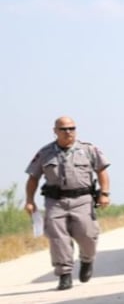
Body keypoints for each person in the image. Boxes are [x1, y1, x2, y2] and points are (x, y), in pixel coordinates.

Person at [24, 116, 111, 290]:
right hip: (55, 201)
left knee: (88, 235)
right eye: (63, 129)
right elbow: (33, 178)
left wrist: (104, 193)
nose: (68, 132)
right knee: (58, 239)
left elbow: (101, 171)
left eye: (72, 128)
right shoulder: (45, 153)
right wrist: (29, 201)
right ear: (55, 131)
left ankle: (87, 260)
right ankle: (64, 274)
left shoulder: (88, 149)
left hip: (82, 200)